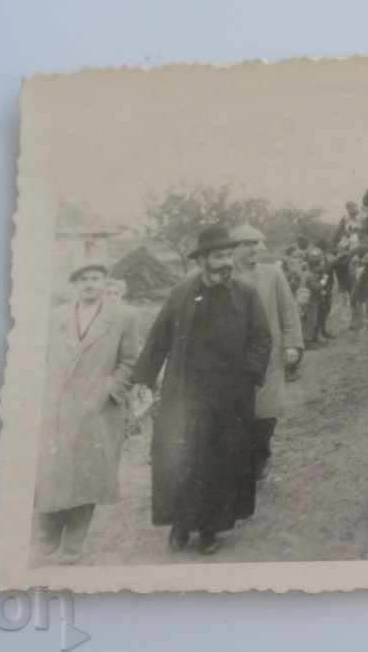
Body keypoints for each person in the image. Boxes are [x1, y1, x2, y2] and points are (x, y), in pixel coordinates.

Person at [132, 224, 272, 555]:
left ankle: (211, 529)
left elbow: (262, 339)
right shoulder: (180, 294)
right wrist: (144, 379)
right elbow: (158, 339)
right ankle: (180, 526)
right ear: (203, 260)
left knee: (220, 463)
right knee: (182, 461)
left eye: (228, 256)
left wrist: (250, 376)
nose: (227, 263)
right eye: (219, 257)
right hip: (185, 396)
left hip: (230, 396)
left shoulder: (247, 295)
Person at [34, 261, 140, 564]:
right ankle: (49, 538)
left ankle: (74, 545)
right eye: (83, 279)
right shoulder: (56, 317)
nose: (89, 284)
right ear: (75, 284)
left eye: (95, 278)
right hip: (57, 406)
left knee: (87, 475)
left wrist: (109, 389)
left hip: (97, 408)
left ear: (105, 282)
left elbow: (130, 360)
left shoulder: (123, 317)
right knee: (52, 474)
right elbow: (43, 356)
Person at [231, 224, 304, 480]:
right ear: (233, 247)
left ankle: (259, 458)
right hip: (233, 358)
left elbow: (288, 309)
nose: (255, 248)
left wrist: (292, 343)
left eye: (257, 243)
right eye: (248, 243)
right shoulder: (224, 276)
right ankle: (242, 461)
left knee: (267, 410)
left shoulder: (272, 274)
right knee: (238, 411)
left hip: (269, 356)